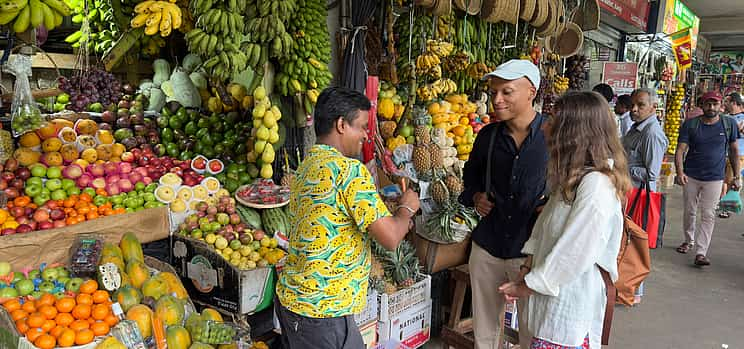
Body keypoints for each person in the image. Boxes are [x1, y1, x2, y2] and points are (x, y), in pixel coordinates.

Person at [274, 87, 421, 348]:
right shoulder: (349, 170)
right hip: (324, 312)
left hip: (297, 303)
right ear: (341, 124)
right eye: (362, 127)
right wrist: (407, 207)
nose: (366, 136)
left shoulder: (306, 167)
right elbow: (390, 238)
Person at [498, 91, 631, 349]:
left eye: (553, 120)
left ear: (572, 132)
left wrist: (527, 286)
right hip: (546, 307)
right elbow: (542, 230)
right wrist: (526, 269)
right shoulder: (571, 180)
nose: (545, 125)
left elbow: (575, 250)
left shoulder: (596, 185)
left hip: (566, 311)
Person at [460, 59, 548, 349]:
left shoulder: (555, 136)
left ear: (531, 92)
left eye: (507, 92)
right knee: (485, 330)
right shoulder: (488, 136)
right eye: (494, 92)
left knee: (531, 330)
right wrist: (476, 196)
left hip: (532, 254)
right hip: (488, 247)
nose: (497, 100)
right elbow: (469, 177)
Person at [674, 91, 740, 266]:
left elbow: (734, 151)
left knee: (709, 214)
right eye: (708, 104)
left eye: (715, 104)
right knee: (689, 211)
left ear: (721, 106)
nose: (711, 107)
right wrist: (680, 172)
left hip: (715, 178)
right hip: (691, 176)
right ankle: (689, 240)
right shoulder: (691, 125)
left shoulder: (729, 124)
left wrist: (737, 176)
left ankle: (701, 252)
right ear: (702, 105)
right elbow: (680, 150)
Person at [623, 88, 669, 191]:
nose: (634, 109)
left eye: (640, 105)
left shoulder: (652, 134)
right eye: (632, 105)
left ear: (653, 107)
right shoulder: (636, 127)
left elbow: (652, 174)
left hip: (638, 196)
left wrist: (623, 168)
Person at [719, 92, 744, 217]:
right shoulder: (726, 118)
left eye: (727, 102)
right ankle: (722, 203)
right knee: (722, 180)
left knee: (731, 181)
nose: (725, 104)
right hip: (723, 153)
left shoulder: (742, 118)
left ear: (734, 102)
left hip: (738, 154)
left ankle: (727, 208)